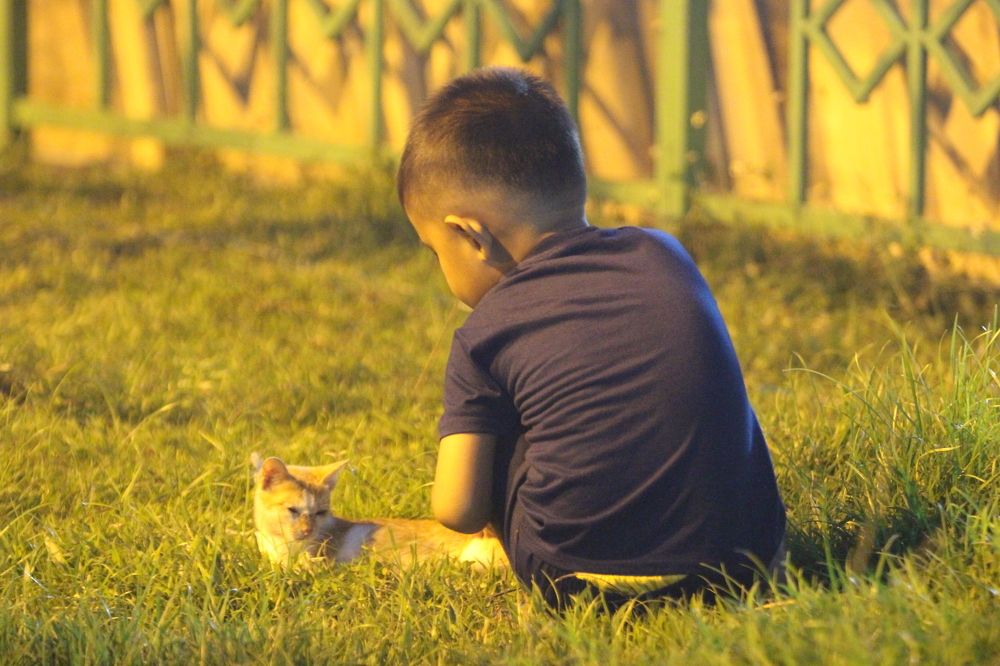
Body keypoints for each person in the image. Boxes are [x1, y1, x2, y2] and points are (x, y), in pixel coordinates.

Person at [396, 67, 786, 610]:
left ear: (471, 235)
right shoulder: (666, 253)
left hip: (581, 580)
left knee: (502, 425)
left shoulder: (484, 333)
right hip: (745, 562)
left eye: (435, 251)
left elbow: (458, 509)